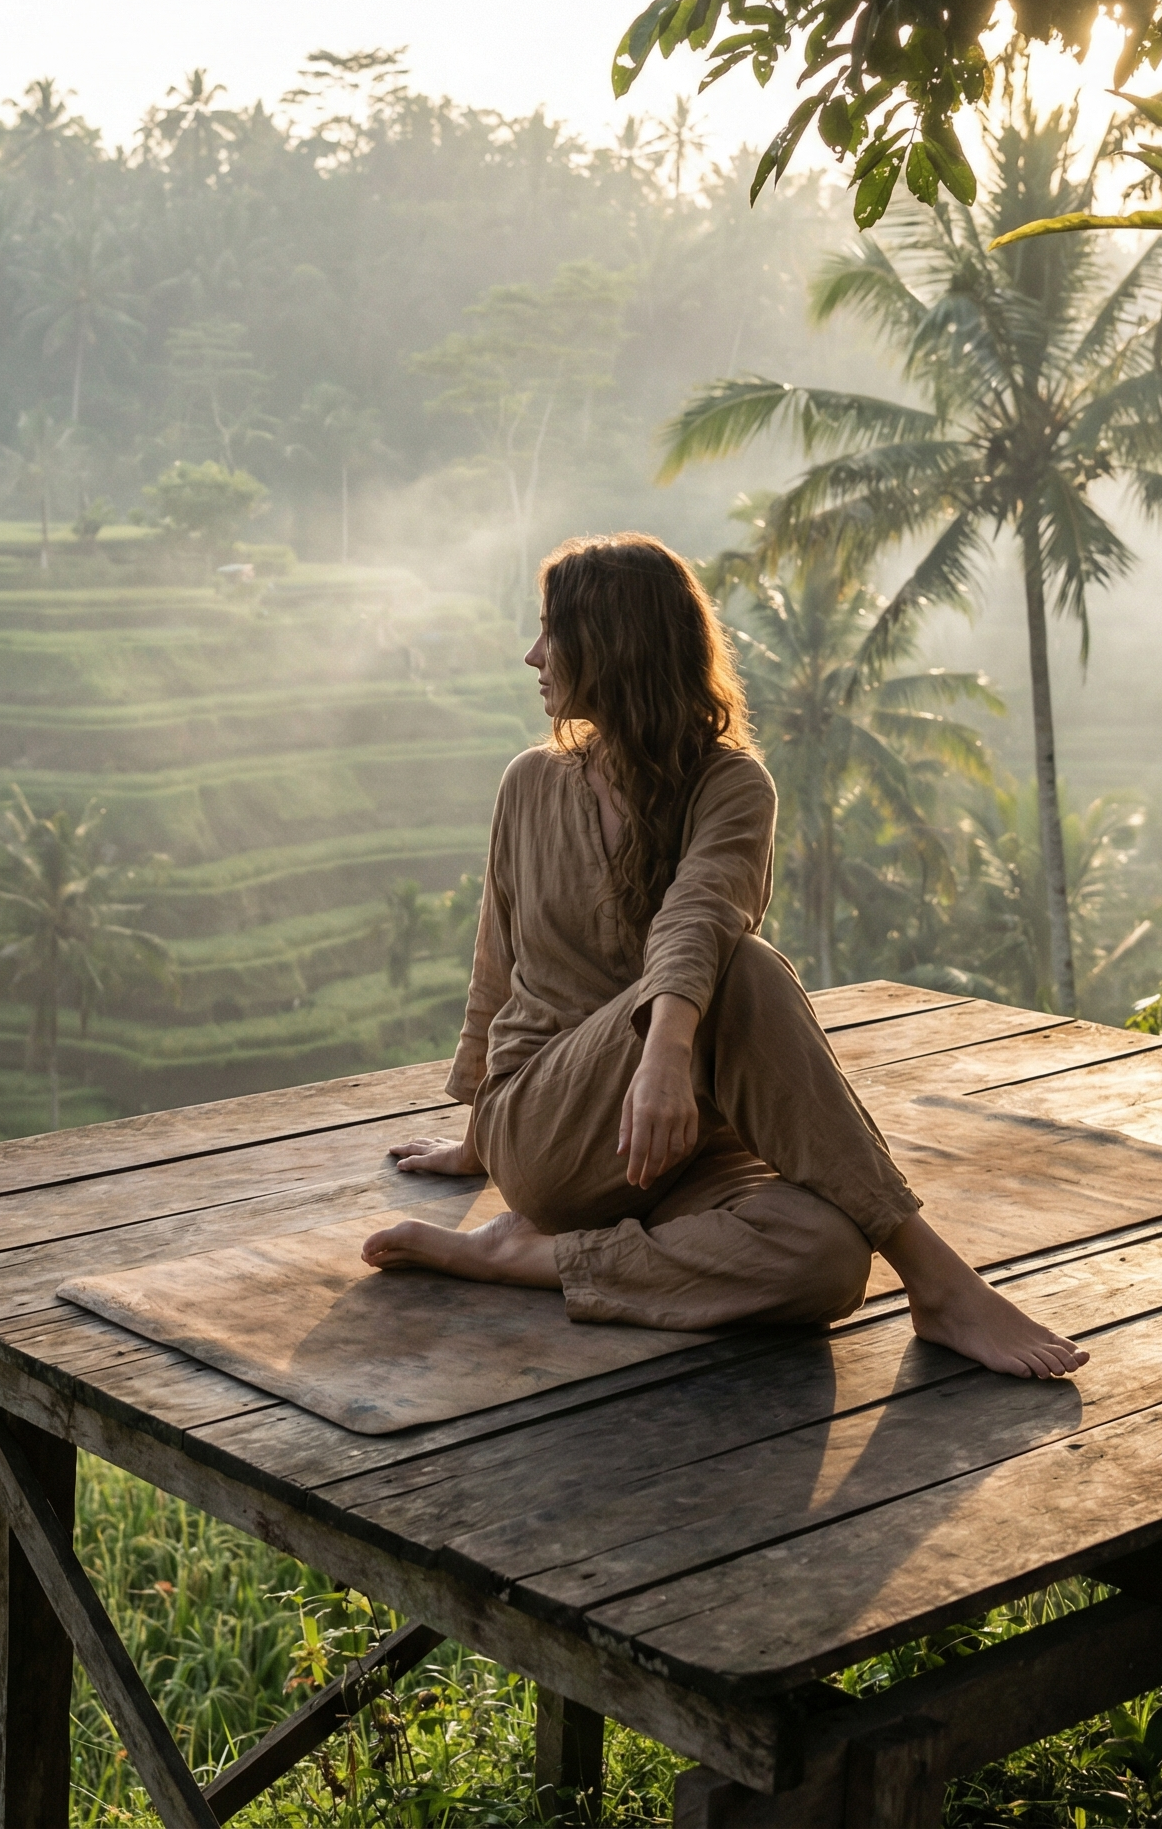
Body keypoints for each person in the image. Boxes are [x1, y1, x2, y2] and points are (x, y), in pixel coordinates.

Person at [362, 533, 1087, 1380]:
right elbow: (498, 966)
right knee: (748, 970)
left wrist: (666, 1060)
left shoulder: (731, 783)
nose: (533, 656)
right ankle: (939, 1281)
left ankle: (521, 1259)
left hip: (683, 1143)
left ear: (618, 645)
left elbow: (701, 910)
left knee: (825, 1260)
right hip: (550, 1127)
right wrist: (479, 1135)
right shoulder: (531, 782)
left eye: (552, 632)